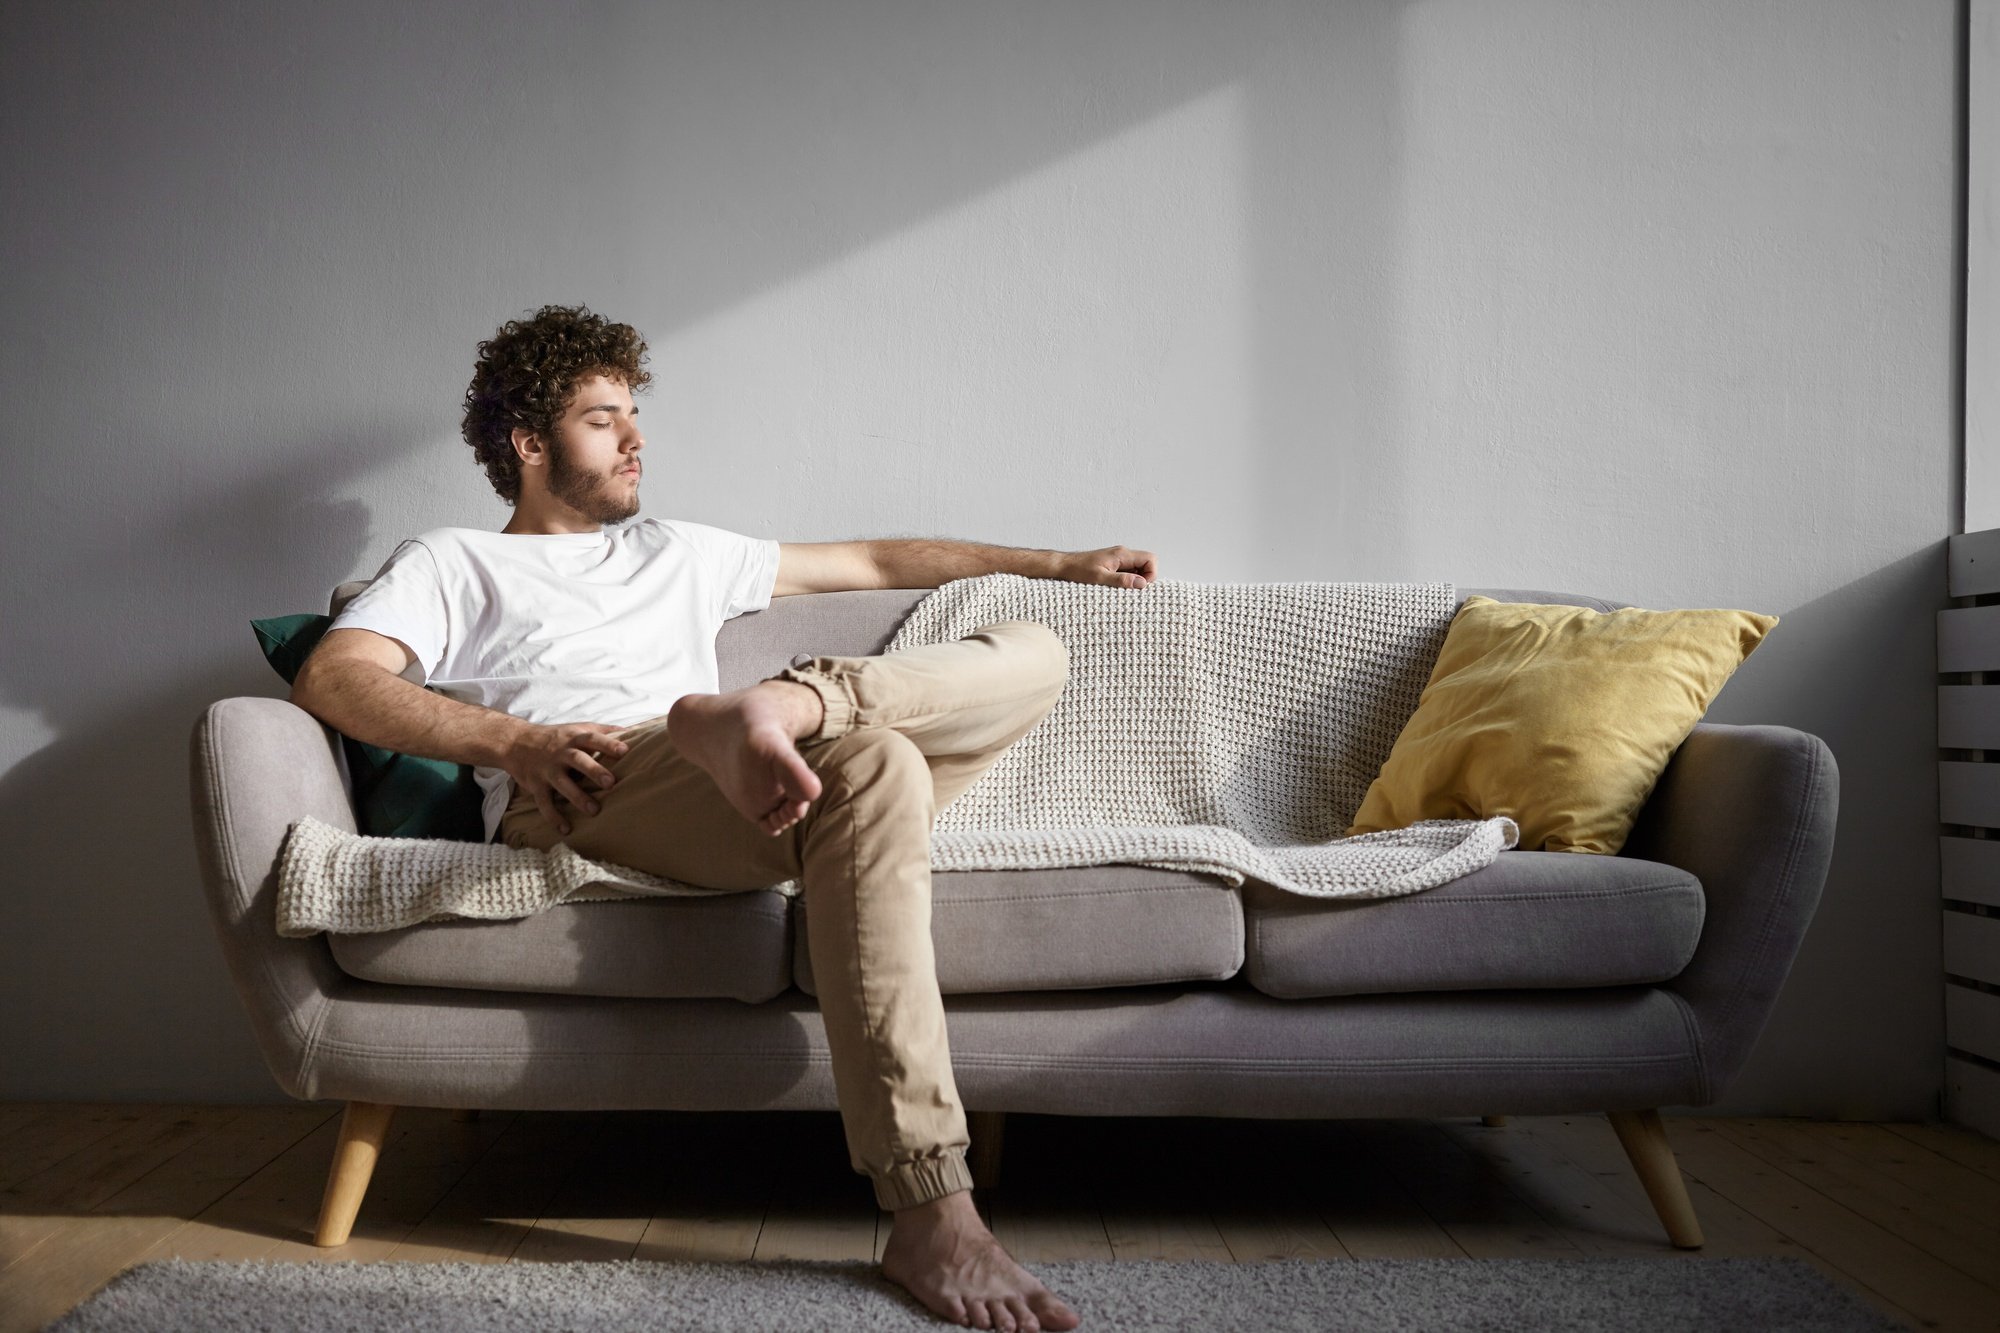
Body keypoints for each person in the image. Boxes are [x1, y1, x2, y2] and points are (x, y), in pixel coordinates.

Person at [290, 304, 1159, 1333]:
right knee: (874, 757)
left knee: (1030, 654)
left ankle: (791, 705)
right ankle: (933, 1210)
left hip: (749, 767)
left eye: (634, 415)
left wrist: (1059, 565)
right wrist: (515, 743)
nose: (635, 439)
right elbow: (334, 677)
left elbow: (876, 563)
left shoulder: (678, 549)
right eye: (603, 419)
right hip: (596, 780)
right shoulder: (454, 560)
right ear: (527, 444)